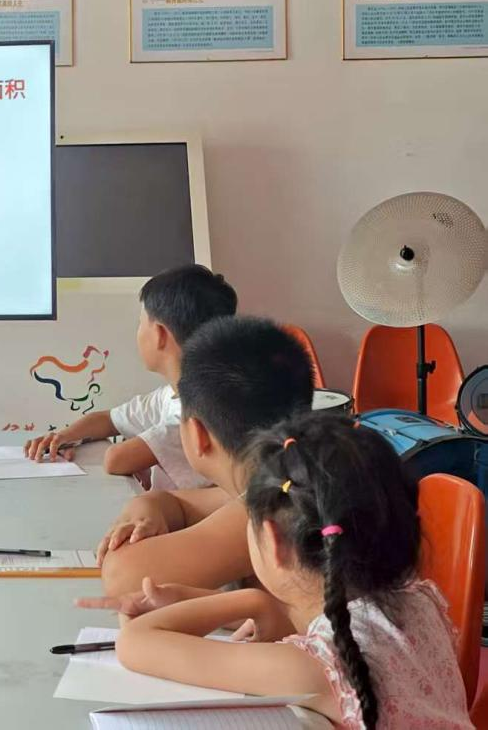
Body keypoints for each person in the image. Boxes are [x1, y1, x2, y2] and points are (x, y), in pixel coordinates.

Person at [110, 413, 472, 730]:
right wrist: (258, 607)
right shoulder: (420, 600)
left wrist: (248, 600)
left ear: (272, 540)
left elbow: (134, 643)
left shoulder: (315, 669)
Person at [95, 316, 314, 596]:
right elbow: (170, 501)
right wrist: (144, 516)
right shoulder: (287, 477)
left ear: (198, 434)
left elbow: (121, 576)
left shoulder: (278, 505)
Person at [25, 264, 238, 491]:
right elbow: (107, 420)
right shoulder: (172, 395)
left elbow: (116, 459)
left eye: (141, 323)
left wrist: (135, 455)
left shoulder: (201, 413)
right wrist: (64, 437)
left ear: (160, 335)